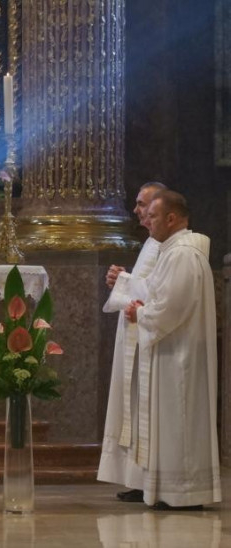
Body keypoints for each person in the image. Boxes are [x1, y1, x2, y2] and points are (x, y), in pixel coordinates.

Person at [123, 190, 221, 510]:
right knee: (171, 422)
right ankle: (171, 491)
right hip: (170, 351)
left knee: (179, 418)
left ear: (171, 218)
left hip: (180, 357)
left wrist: (141, 313)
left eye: (152, 217)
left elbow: (171, 307)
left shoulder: (183, 254)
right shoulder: (172, 252)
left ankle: (184, 492)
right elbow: (158, 293)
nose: (147, 222)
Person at [97, 182, 166, 501]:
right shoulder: (151, 242)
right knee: (134, 411)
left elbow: (158, 293)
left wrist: (124, 281)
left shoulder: (168, 245)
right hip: (136, 332)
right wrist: (123, 278)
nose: (137, 210)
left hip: (150, 336)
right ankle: (138, 480)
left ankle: (146, 482)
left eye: (143, 204)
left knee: (143, 412)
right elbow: (145, 284)